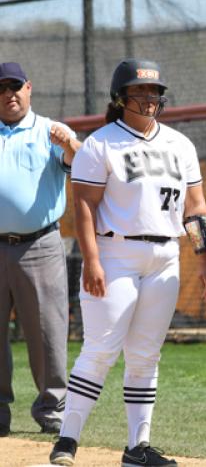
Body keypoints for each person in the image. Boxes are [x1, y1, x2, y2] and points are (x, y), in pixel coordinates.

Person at [49, 58, 206, 467]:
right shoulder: (100, 143)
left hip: (165, 257)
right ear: (121, 97)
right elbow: (84, 206)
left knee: (145, 355)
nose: (149, 98)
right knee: (101, 349)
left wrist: (205, 257)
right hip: (114, 253)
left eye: (155, 92)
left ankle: (137, 447)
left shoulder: (180, 144)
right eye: (140, 91)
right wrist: (91, 261)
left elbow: (195, 208)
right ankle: (67, 440)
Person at [0, 62, 80, 437]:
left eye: (15, 86)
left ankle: (52, 408)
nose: (8, 93)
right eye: (1, 88)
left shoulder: (50, 131)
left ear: (29, 88)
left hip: (40, 244)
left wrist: (69, 145)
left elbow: (80, 163)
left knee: (47, 330)